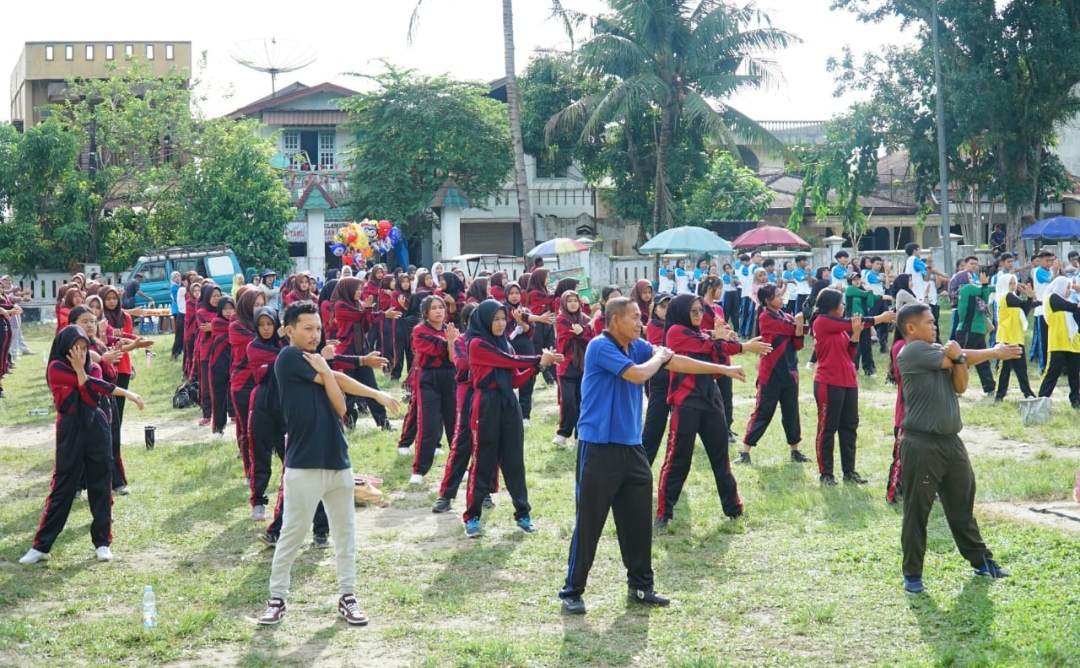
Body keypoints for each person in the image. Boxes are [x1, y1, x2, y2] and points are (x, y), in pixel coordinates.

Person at [557, 297, 746, 615]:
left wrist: (722, 369)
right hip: (599, 447)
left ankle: (641, 587)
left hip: (631, 448)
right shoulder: (600, 347)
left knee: (637, 522)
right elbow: (639, 375)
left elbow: (677, 362)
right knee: (590, 521)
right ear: (615, 320)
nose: (639, 323)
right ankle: (572, 591)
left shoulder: (639, 346)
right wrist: (659, 356)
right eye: (633, 317)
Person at [257, 301, 400, 626]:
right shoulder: (289, 357)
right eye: (308, 328)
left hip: (338, 459)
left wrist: (375, 395)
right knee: (293, 533)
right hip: (303, 464)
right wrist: (326, 370)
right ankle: (277, 600)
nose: (314, 334)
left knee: (345, 533)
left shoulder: (318, 364)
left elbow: (339, 405)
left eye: (318, 328)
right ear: (289, 330)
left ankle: (347, 597)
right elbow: (332, 378)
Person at [895, 302, 1020, 594]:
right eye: (928, 322)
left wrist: (960, 358)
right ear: (911, 327)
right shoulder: (912, 350)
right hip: (922, 443)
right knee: (917, 510)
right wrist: (993, 352)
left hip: (951, 442)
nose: (934, 325)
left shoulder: (939, 350)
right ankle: (912, 575)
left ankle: (982, 562)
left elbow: (960, 386)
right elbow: (955, 360)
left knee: (962, 505)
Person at [19, 326, 144, 566]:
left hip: (96, 429)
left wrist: (83, 375)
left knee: (101, 485)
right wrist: (79, 372)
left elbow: (90, 397)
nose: (81, 353)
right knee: (63, 487)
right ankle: (41, 547)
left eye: (85, 348)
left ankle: (102, 543)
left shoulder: (94, 367)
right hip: (70, 431)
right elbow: (89, 388)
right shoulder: (55, 368)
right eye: (76, 348)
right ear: (65, 348)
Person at [462, 299, 561, 537]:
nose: (499, 323)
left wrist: (537, 368)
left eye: (502, 318)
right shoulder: (476, 344)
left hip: (508, 405)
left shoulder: (505, 343)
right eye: (495, 319)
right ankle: (472, 517)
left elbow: (515, 378)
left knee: (515, 461)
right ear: (484, 320)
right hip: (486, 405)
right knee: (483, 462)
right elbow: (509, 362)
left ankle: (523, 514)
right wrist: (539, 359)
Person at [654, 294, 752, 529]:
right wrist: (738, 345)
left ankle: (734, 509)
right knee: (678, 459)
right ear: (681, 312)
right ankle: (664, 513)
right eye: (694, 311)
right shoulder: (675, 331)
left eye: (701, 311)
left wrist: (723, 340)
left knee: (721, 458)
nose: (699, 315)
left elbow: (720, 352)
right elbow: (710, 347)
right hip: (686, 402)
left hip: (711, 400)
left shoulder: (702, 333)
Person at [810, 288, 896, 485]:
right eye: (841, 304)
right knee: (827, 429)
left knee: (849, 428)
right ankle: (826, 474)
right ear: (832, 306)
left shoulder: (839, 329)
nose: (843, 307)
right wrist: (880, 318)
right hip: (828, 381)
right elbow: (851, 322)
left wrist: (856, 335)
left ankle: (849, 471)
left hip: (848, 381)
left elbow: (849, 355)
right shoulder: (822, 321)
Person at [738, 284, 810, 464]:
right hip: (770, 373)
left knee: (791, 412)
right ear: (767, 301)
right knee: (763, 412)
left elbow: (798, 344)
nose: (781, 298)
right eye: (777, 295)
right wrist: (800, 326)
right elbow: (793, 330)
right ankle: (745, 451)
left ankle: (795, 450)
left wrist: (800, 327)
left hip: (790, 371)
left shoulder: (786, 316)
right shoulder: (765, 317)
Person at [408, 295, 459, 485]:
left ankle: (457, 467)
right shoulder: (420, 330)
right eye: (434, 308)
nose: (439, 311)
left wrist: (452, 343)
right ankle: (419, 470)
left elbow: (453, 359)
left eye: (441, 307)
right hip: (428, 378)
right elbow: (434, 350)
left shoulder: (450, 330)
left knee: (454, 424)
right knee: (428, 425)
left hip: (450, 377)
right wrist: (450, 342)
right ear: (426, 312)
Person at [554, 289, 594, 446]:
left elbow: (590, 339)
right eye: (569, 301)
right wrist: (584, 330)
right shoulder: (561, 319)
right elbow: (574, 331)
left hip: (583, 366)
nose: (573, 304)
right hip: (566, 366)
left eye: (575, 301)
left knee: (582, 401)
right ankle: (563, 433)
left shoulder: (584, 318)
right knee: (569, 402)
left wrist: (583, 331)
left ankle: (580, 435)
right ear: (564, 303)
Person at [993, 274, 1038, 401]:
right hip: (1006, 337)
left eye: (1014, 283)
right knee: (1005, 369)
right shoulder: (1006, 296)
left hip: (1016, 337)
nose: (1013, 286)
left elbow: (1025, 307)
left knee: (1021, 368)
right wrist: (1031, 298)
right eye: (1010, 283)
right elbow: (1024, 306)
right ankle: (999, 395)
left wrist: (1037, 302)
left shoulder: (1012, 297)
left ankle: (1028, 393)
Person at [1036, 276, 1080, 407]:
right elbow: (1068, 306)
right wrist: (1076, 305)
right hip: (1058, 342)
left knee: (1075, 375)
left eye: (1070, 287)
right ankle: (1042, 399)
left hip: (1074, 343)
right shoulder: (1051, 298)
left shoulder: (1071, 302)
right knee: (1052, 372)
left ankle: (1076, 400)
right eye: (1067, 287)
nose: (1069, 290)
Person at [954, 269, 997, 396]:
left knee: (982, 360)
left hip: (978, 331)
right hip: (968, 330)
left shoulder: (975, 292)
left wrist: (1003, 285)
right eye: (970, 276)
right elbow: (983, 291)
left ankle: (989, 388)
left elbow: (984, 294)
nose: (973, 278)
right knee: (962, 360)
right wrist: (985, 284)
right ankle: (955, 387)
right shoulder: (966, 288)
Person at [170, 272, 185, 361]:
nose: (177, 278)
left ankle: (180, 350)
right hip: (177, 310)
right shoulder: (174, 287)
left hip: (180, 310)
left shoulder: (179, 286)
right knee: (179, 332)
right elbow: (176, 298)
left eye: (179, 276)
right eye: (175, 277)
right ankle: (175, 352)